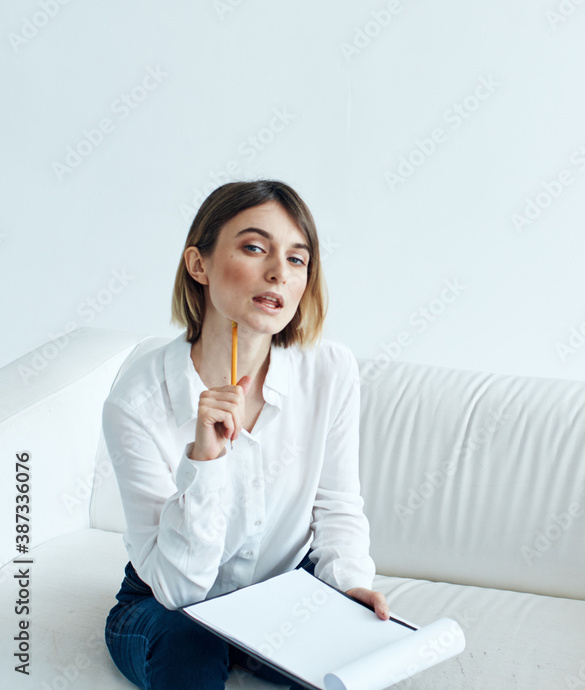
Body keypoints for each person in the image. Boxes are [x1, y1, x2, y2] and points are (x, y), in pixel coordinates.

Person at [103, 180, 388, 689]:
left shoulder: (329, 370)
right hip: (165, 605)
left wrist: (348, 588)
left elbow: (337, 505)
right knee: (191, 641)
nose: (279, 272)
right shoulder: (137, 400)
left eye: (297, 259)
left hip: (281, 595)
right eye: (255, 248)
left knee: (355, 659)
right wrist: (204, 461)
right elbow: (176, 590)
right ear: (199, 265)